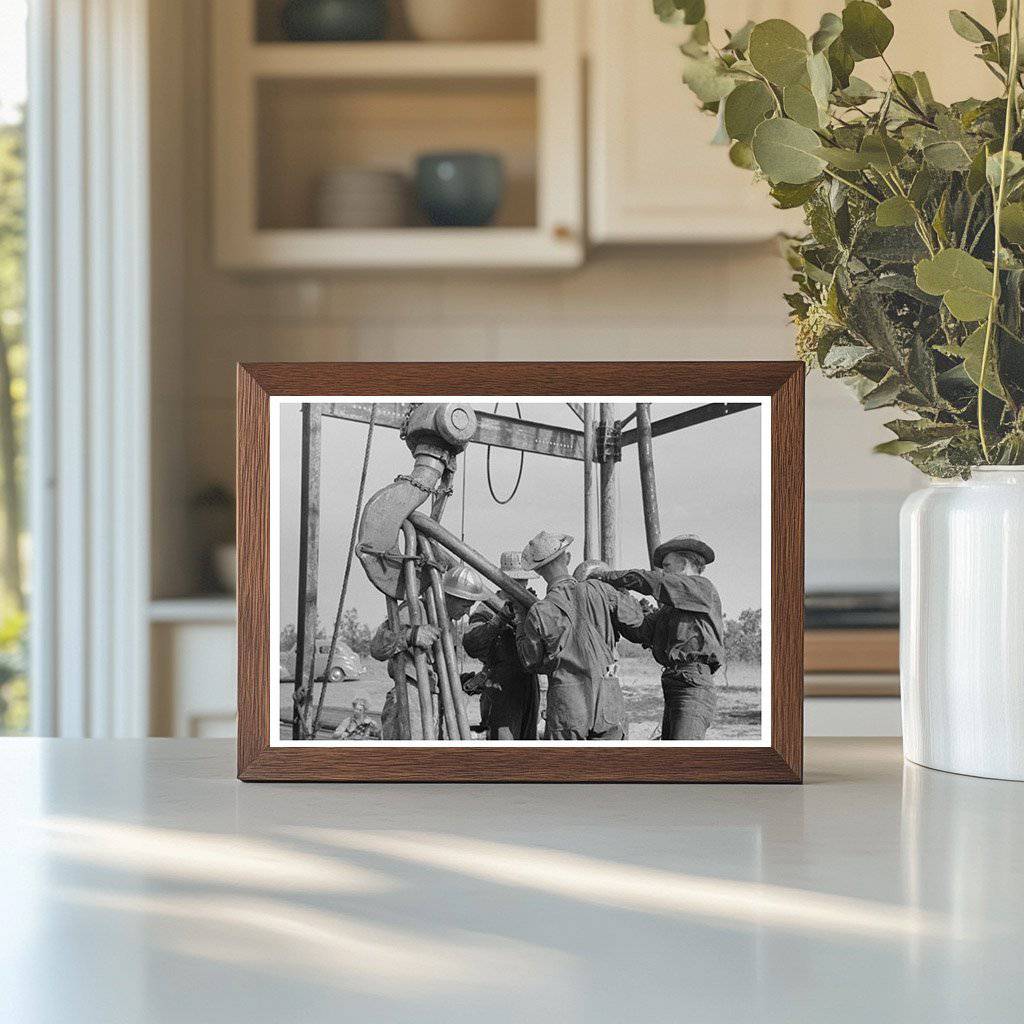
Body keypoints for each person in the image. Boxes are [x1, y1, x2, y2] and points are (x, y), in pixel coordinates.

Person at [515, 531, 645, 740]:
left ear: (538, 571)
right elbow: (637, 621)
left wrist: (521, 620)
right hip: (608, 698)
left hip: (568, 704)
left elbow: (531, 662)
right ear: (567, 558)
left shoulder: (540, 611)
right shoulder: (601, 591)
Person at [594, 534, 725, 741]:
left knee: (683, 762)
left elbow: (655, 581)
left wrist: (606, 577)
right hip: (675, 685)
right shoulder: (671, 609)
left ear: (684, 563)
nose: (663, 571)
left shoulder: (702, 588)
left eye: (667, 566)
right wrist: (617, 598)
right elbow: (641, 631)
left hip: (693, 686)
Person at [371, 562, 487, 738]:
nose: (467, 612)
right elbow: (377, 648)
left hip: (435, 701)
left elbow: (436, 668)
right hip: (410, 698)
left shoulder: (449, 625)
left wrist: (463, 682)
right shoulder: (416, 609)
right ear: (450, 596)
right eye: (465, 605)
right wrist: (411, 635)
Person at [462, 551, 540, 740]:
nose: (521, 586)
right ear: (502, 582)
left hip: (529, 686)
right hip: (499, 687)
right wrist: (501, 618)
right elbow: (472, 644)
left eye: (524, 581)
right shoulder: (486, 608)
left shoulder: (531, 607)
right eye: (516, 581)